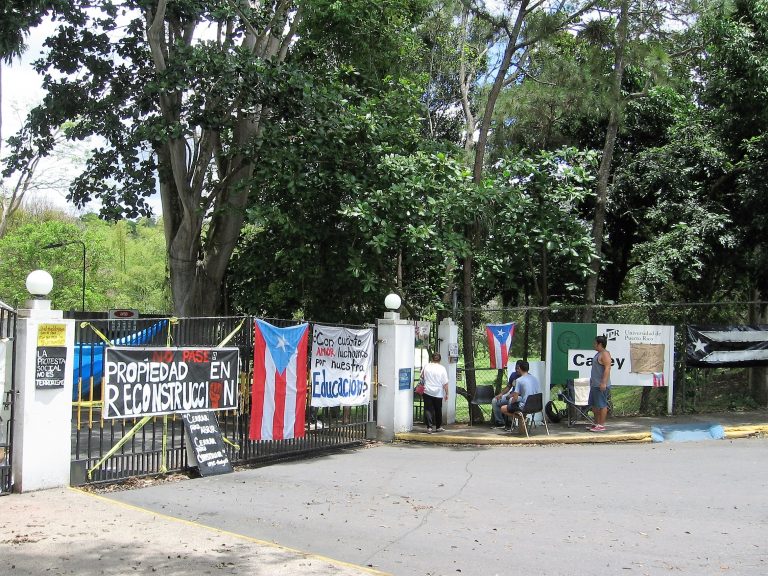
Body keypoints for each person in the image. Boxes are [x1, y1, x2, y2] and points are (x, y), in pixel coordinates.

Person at [500, 360, 540, 433]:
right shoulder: (534, 379)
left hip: (525, 407)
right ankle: (523, 420)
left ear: (520, 368)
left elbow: (514, 398)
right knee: (518, 403)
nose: (517, 370)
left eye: (518, 368)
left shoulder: (519, 380)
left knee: (503, 408)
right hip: (537, 406)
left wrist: (510, 403)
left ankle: (522, 419)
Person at [588, 335, 612, 432]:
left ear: (600, 344)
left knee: (602, 405)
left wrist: (603, 383)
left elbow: (607, 368)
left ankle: (601, 425)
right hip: (594, 384)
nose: (593, 345)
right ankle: (596, 424)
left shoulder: (605, 354)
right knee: (594, 405)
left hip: (601, 385)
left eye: (595, 343)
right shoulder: (598, 354)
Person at [421, 352, 449, 433]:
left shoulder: (426, 366)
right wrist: (447, 393)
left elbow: (421, 377)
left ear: (431, 359)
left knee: (428, 409)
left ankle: (429, 427)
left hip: (427, 390)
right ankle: (438, 427)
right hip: (438, 392)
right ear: (440, 360)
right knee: (438, 409)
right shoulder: (442, 368)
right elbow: (445, 383)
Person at [491, 360, 521, 429]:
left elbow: (523, 391)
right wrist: (501, 394)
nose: (517, 370)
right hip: (510, 395)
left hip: (519, 397)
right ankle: (500, 422)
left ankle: (511, 423)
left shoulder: (525, 377)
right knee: (495, 400)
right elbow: (508, 386)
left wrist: (512, 395)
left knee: (511, 400)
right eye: (516, 368)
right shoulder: (513, 375)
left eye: (518, 368)